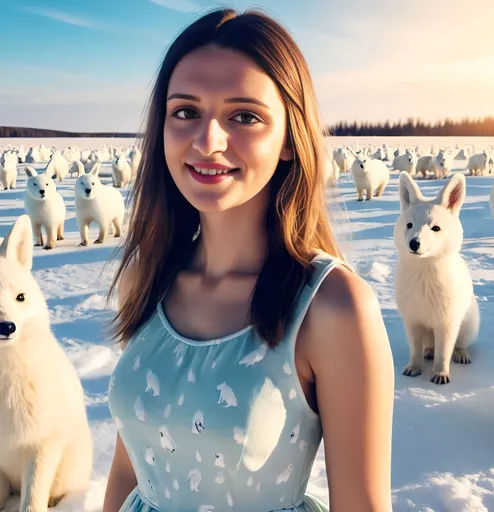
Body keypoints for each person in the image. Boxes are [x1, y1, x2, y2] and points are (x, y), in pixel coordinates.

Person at [104, 7, 394, 512]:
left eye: (244, 116)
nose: (208, 141)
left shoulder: (332, 308)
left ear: (288, 139)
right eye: (185, 111)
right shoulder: (148, 278)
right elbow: (130, 467)